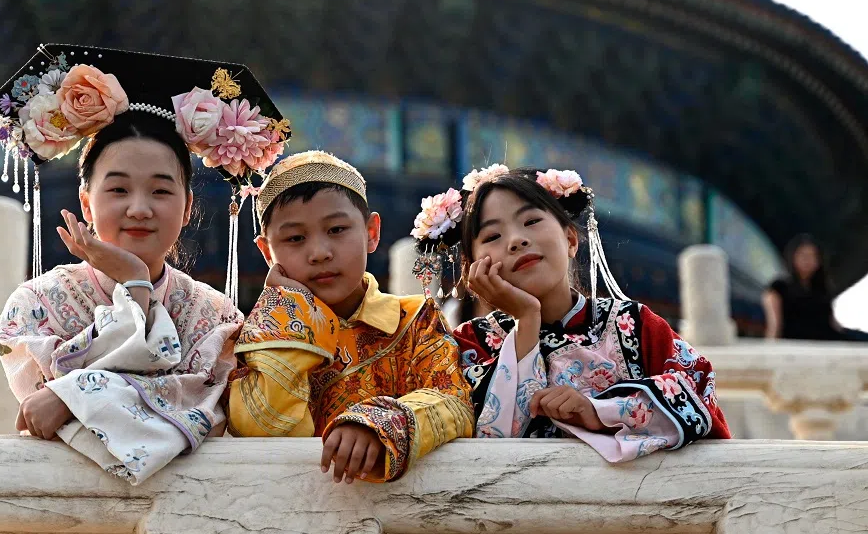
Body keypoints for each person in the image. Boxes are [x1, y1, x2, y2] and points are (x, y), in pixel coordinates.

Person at [0, 44, 289, 483]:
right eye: (117, 190)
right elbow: (46, 416)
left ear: (188, 207)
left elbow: (203, 409)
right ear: (85, 203)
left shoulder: (217, 316)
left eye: (160, 191)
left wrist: (75, 393)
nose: (139, 208)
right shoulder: (36, 305)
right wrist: (134, 290)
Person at [411, 165, 730, 463]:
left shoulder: (635, 325)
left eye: (531, 221)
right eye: (492, 237)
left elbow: (702, 400)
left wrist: (600, 411)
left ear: (570, 238)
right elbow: (482, 449)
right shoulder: (467, 346)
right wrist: (527, 320)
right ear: (470, 270)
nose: (516, 240)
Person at [227, 150, 474, 483]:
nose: (320, 252)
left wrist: (381, 423)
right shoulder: (253, 338)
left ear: (371, 232)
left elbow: (455, 403)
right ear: (267, 251)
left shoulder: (415, 318)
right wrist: (288, 316)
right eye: (296, 238)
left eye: (337, 229)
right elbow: (260, 431)